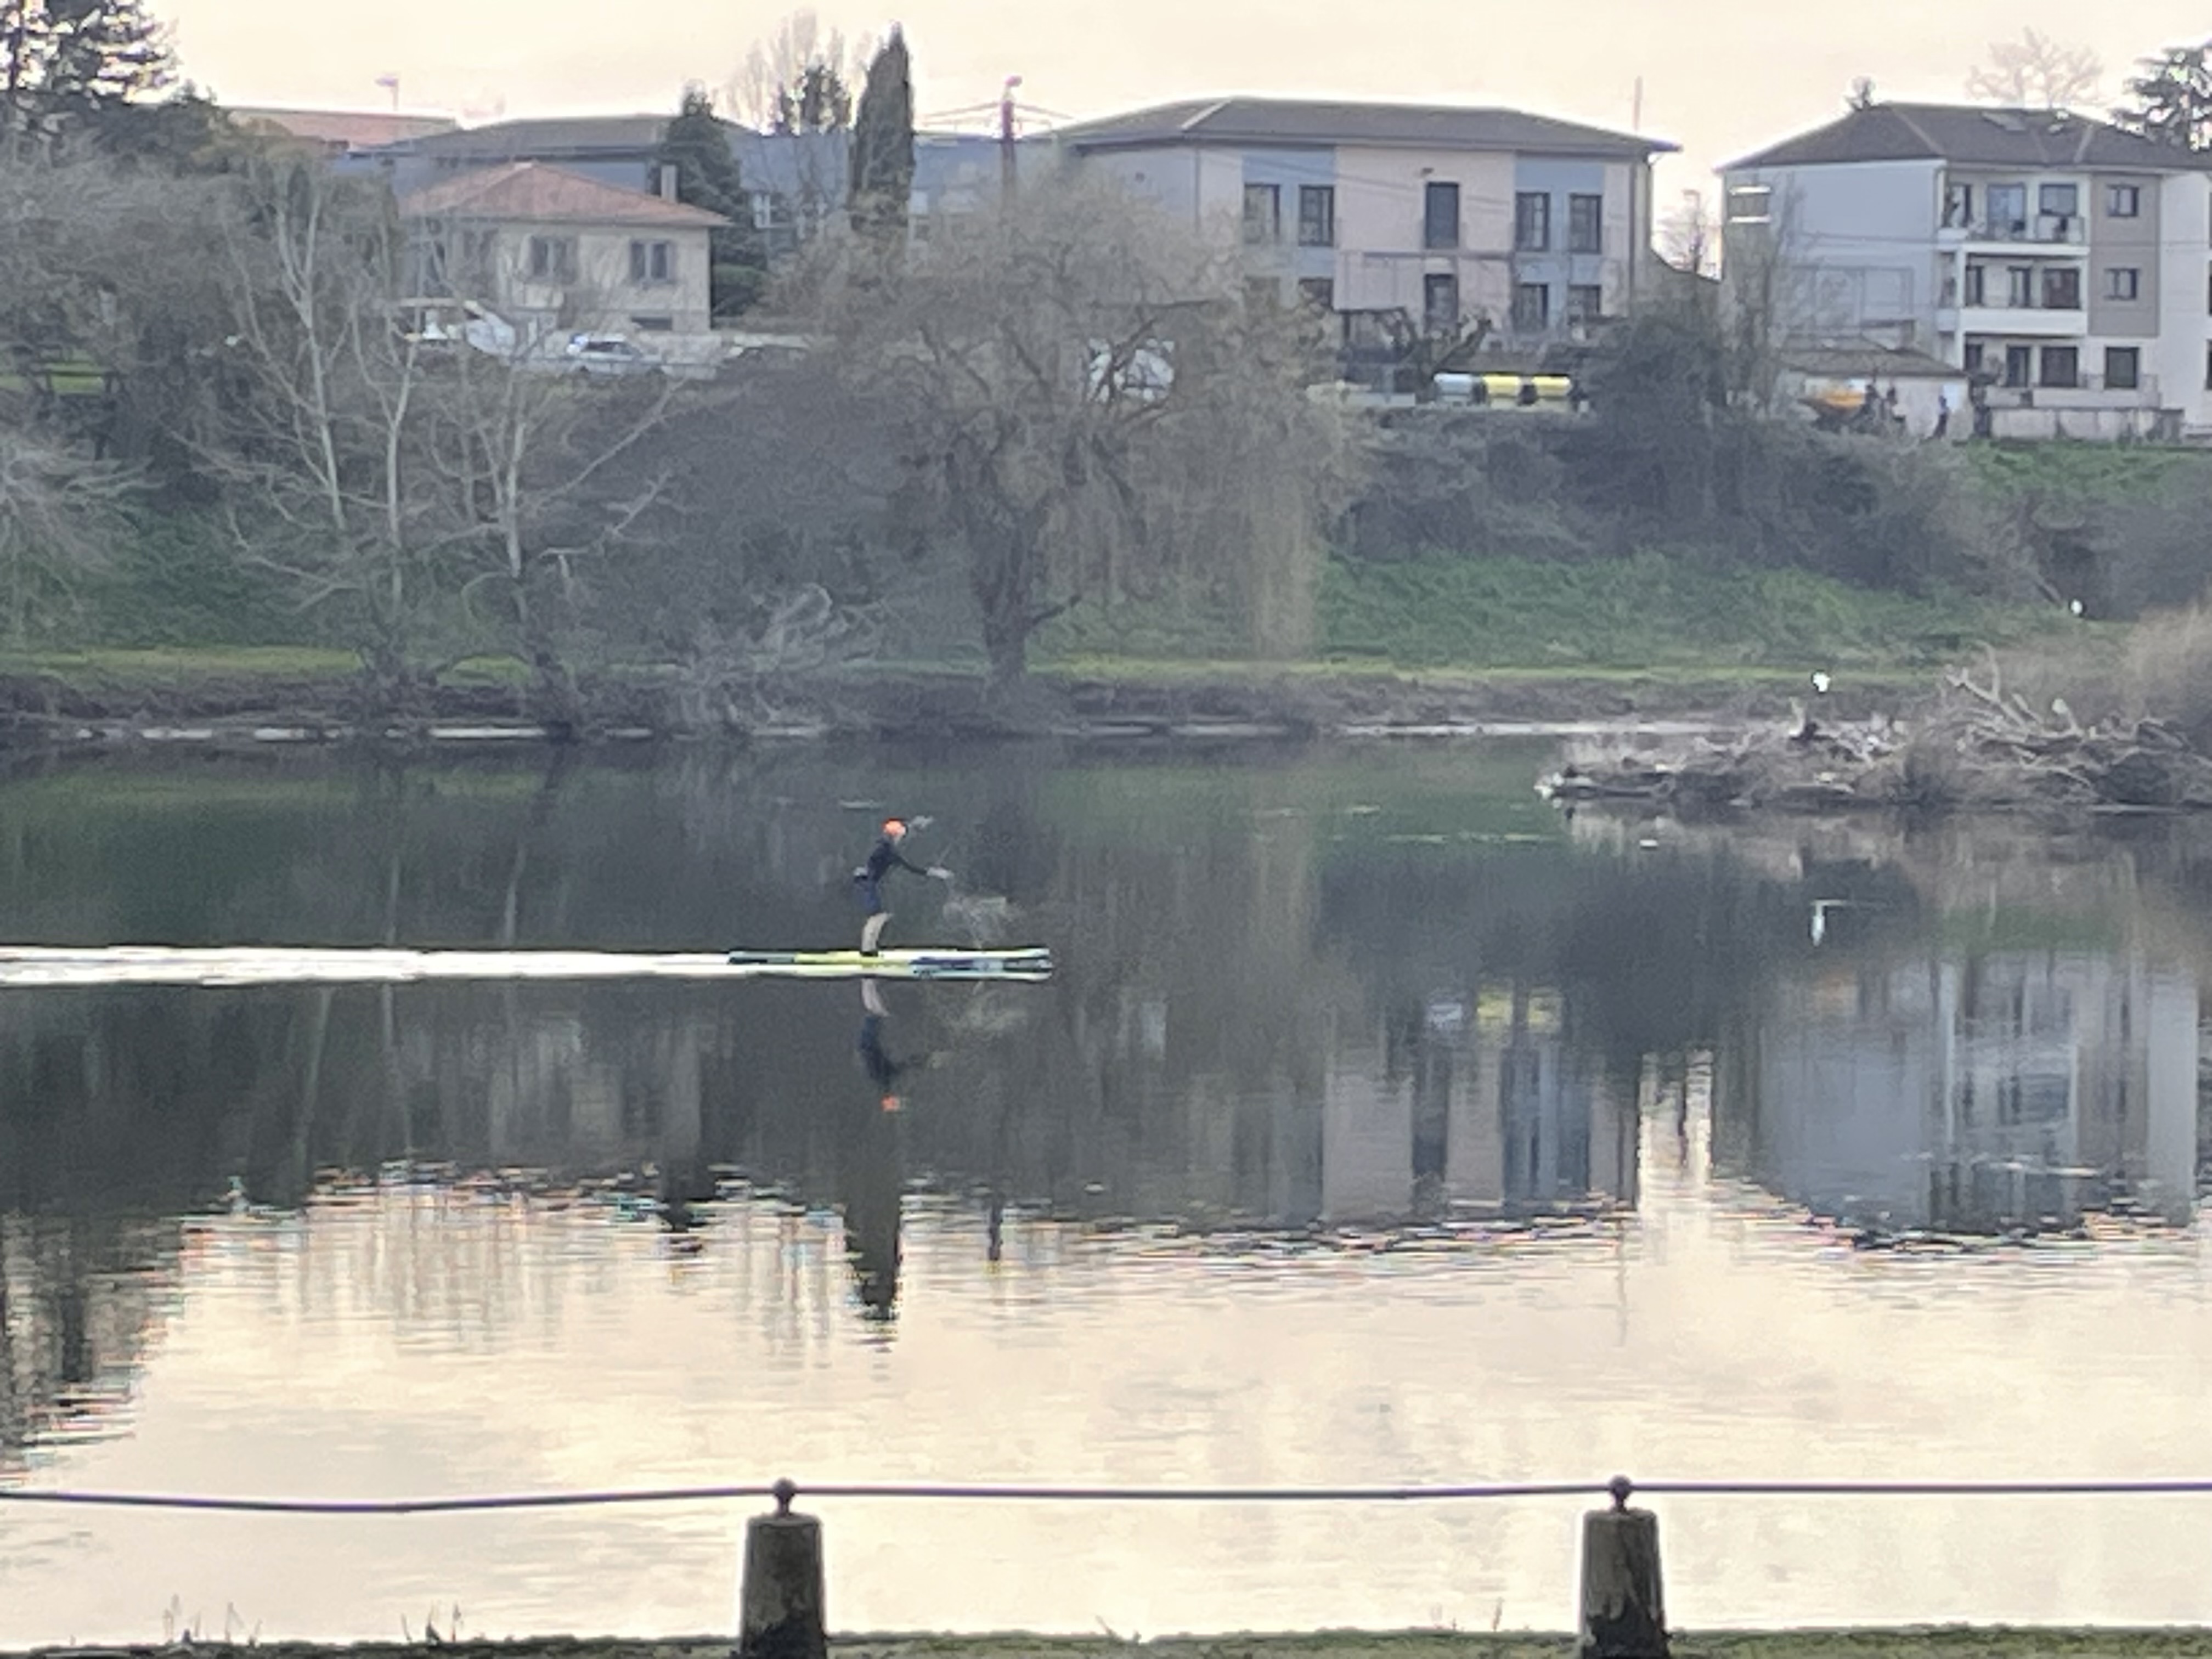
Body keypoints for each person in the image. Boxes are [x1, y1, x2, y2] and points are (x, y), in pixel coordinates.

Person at [853, 817, 950, 955]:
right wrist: (932, 872)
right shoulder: (887, 850)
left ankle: (870, 948)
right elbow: (909, 866)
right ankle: (867, 949)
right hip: (867, 883)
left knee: (881, 915)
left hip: (868, 882)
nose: (901, 838)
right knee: (877, 915)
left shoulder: (884, 847)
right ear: (895, 835)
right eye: (900, 836)